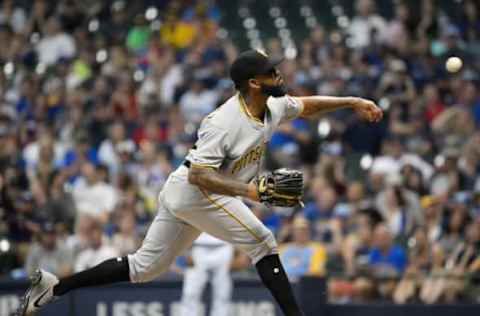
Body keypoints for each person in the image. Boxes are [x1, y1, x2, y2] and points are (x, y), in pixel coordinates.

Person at [17, 49, 382, 316]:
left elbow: (308, 105)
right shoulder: (224, 122)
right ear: (254, 83)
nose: (279, 75)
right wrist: (251, 192)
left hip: (190, 195)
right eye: (272, 72)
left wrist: (352, 101)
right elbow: (199, 174)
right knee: (263, 241)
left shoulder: (273, 106)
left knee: (144, 268)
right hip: (196, 192)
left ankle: (54, 287)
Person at [180, 233, 234, 316]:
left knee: (222, 293)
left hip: (224, 245)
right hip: (197, 247)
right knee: (190, 292)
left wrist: (240, 251)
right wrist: (187, 252)